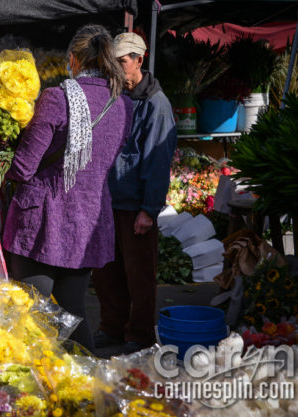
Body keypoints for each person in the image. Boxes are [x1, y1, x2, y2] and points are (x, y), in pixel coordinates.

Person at [2, 24, 133, 353]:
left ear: (72, 59)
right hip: (87, 220)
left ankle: (37, 393)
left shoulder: (56, 99)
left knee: (32, 314)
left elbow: (24, 167)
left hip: (42, 222)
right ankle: (86, 391)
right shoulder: (122, 106)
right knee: (74, 312)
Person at [91, 32, 177, 354]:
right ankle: (111, 328)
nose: (115, 66)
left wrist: (148, 210)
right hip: (106, 202)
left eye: (122, 60)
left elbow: (157, 159)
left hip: (134, 206)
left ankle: (139, 335)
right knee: (105, 272)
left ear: (139, 60)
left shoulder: (156, 104)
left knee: (139, 275)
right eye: (112, 60)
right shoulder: (113, 96)